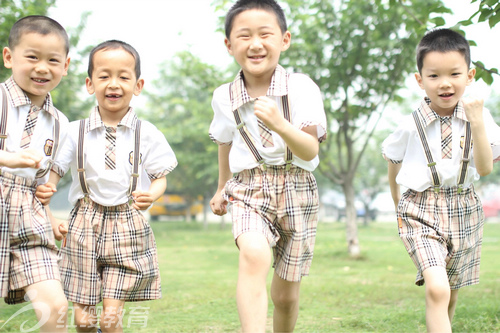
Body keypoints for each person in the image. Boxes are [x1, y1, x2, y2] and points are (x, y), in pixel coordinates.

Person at [36, 40, 177, 333]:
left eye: (123, 77)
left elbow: (161, 175)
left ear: (137, 85)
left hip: (126, 226)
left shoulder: (147, 133)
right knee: (83, 321)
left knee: (110, 320)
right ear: (90, 84)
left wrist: (151, 194)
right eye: (104, 76)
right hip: (83, 225)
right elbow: (55, 173)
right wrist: (48, 194)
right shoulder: (74, 132)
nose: (114, 84)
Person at [209, 0, 327, 331]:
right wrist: (221, 186)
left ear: (284, 40)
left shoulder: (301, 87)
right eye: (244, 36)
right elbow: (225, 140)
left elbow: (309, 150)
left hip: (297, 187)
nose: (256, 44)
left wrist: (280, 125)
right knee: (254, 254)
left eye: (265, 34)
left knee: (285, 297)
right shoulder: (224, 96)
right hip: (249, 188)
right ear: (229, 45)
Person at [382, 28, 500, 333]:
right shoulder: (409, 125)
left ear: (470, 75)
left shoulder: (480, 118)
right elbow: (392, 162)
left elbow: (485, 168)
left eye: (454, 74)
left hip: (464, 207)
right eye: (434, 76)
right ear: (420, 80)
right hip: (419, 210)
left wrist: (476, 121)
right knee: (437, 287)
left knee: (450, 289)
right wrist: (398, 204)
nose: (445, 83)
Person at [0, 15, 70, 332]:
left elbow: (42, 181)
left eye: (52, 60)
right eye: (32, 57)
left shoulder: (59, 123)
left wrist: (51, 215)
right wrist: (8, 160)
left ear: (65, 66)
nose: (42, 68)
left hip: (30, 217)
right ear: (8, 57)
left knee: (54, 306)